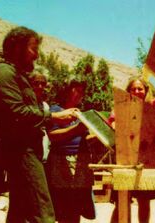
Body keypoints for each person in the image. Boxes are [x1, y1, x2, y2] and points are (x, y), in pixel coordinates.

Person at [0, 26, 78, 223]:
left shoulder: (17, 75)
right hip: (22, 152)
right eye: (33, 48)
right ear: (18, 47)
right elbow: (17, 113)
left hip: (27, 151)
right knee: (44, 214)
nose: (37, 55)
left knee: (18, 214)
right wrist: (54, 117)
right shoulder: (4, 73)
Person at [110, 77, 155, 223]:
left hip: (144, 161)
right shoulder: (120, 107)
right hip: (125, 159)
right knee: (122, 201)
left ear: (146, 91)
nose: (137, 91)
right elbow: (113, 124)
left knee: (144, 201)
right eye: (133, 89)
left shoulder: (150, 106)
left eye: (140, 88)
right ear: (128, 91)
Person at [45, 78, 96, 223]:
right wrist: (76, 129)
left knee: (76, 207)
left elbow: (82, 137)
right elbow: (53, 136)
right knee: (63, 206)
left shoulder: (81, 114)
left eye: (82, 92)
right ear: (67, 91)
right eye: (77, 90)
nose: (81, 94)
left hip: (81, 163)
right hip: (62, 163)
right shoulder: (55, 110)